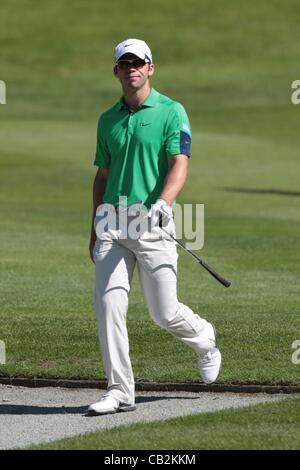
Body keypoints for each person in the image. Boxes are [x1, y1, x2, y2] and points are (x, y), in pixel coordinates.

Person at [88, 39, 222, 415]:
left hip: (152, 223)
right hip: (112, 225)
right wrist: (94, 225)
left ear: (150, 67)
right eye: (124, 63)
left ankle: (205, 340)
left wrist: (164, 202)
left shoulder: (170, 111)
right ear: (116, 71)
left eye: (138, 62)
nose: (131, 67)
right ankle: (119, 391)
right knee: (108, 306)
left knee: (163, 313)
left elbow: (179, 162)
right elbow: (102, 174)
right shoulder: (107, 119)